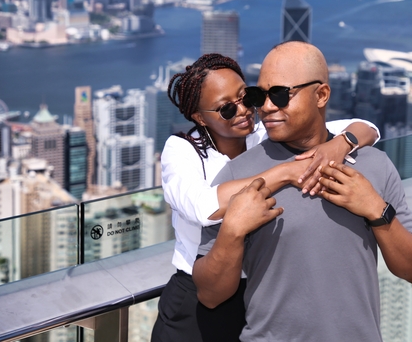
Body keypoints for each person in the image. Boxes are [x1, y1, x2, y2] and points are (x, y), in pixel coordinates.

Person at [193, 42, 412, 342]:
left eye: (279, 95)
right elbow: (210, 295)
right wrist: (231, 233)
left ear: (321, 95)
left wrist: (376, 210)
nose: (265, 107)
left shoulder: (374, 165)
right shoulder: (237, 176)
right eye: (259, 95)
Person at [151, 53, 380, 342]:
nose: (244, 111)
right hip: (197, 300)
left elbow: (367, 127)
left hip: (259, 295)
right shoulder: (183, 150)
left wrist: (341, 144)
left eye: (247, 98)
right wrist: (284, 172)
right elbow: (202, 207)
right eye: (226, 110)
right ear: (199, 117)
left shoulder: (264, 134)